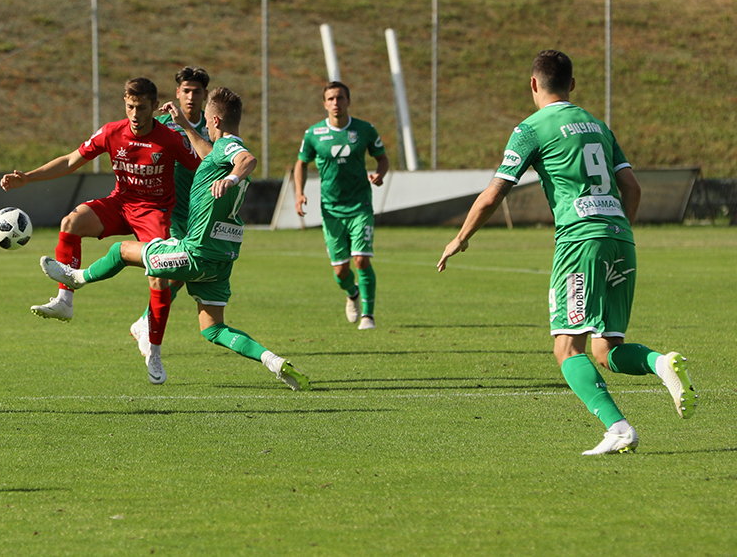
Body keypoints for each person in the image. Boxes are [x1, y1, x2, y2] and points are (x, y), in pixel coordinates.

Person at [437, 49, 697, 455]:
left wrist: (462, 237)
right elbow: (632, 188)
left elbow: (494, 194)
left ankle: (619, 428)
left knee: (567, 347)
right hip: (620, 238)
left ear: (533, 84)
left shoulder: (530, 129)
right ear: (572, 84)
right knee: (605, 349)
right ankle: (661, 363)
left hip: (580, 242)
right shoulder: (598, 126)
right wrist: (617, 229)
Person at [41, 87, 311, 391]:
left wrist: (231, 178)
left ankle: (76, 278)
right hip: (222, 259)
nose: (205, 127)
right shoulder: (220, 151)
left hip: (195, 251)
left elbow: (247, 159)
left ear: (216, 120)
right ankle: (273, 361)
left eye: (207, 122)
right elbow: (209, 154)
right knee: (213, 329)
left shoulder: (231, 149)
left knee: (121, 251)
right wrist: (184, 124)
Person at [0, 78, 205, 385]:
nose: (135, 114)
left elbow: (203, 167)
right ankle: (64, 301)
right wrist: (28, 177)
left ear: (154, 106)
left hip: (153, 212)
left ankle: (154, 350)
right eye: (130, 106)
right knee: (71, 223)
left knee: (159, 277)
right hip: (120, 204)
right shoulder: (111, 132)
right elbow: (70, 160)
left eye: (142, 108)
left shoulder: (171, 138)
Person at [128, 67, 211, 356]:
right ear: (177, 93)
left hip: (200, 211)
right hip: (169, 209)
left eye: (196, 91)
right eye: (185, 91)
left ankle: (144, 322)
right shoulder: (160, 124)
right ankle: (146, 323)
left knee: (181, 272)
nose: (190, 96)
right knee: (173, 266)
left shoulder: (212, 127)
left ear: (205, 95)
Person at [294, 82, 389, 330]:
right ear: (324, 103)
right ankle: (352, 293)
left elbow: (382, 158)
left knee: (362, 260)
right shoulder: (313, 134)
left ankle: (368, 316)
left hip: (360, 205)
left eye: (340, 98)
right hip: (331, 209)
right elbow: (301, 163)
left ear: (348, 101)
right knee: (340, 271)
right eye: (331, 99)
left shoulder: (365, 129)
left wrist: (380, 174)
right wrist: (299, 193)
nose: (336, 103)